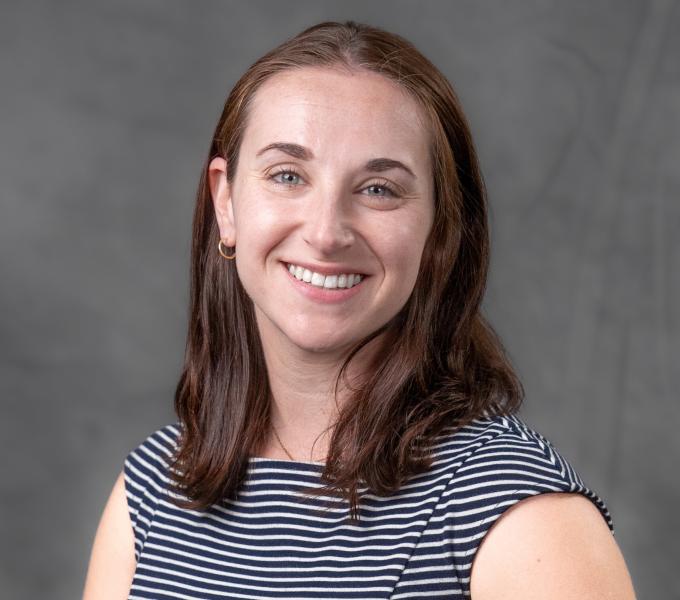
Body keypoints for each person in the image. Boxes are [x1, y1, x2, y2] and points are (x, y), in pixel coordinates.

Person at [83, 20, 636, 599]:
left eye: (378, 188)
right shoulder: (151, 488)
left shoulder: (516, 513)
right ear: (226, 201)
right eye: (288, 175)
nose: (325, 233)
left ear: (440, 228)